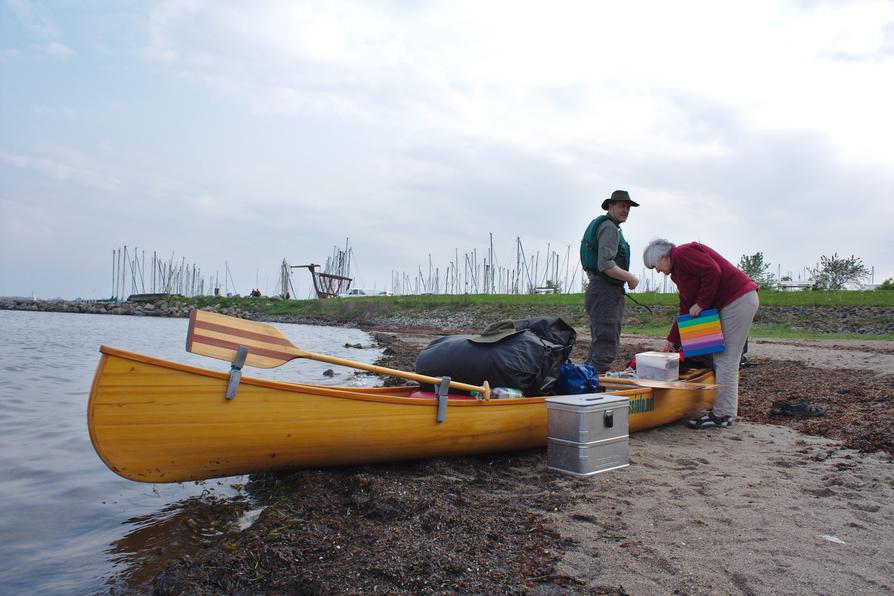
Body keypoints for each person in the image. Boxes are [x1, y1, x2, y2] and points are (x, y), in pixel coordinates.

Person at [642, 239, 759, 429]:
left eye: (655, 266)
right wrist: (671, 340)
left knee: (726, 359)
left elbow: (712, 271)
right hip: (731, 303)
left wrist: (702, 303)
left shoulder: (682, 253)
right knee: (721, 358)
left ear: (664, 257)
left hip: (737, 300)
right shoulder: (678, 273)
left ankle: (723, 414)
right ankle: (725, 410)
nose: (657, 271)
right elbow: (686, 307)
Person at [580, 190, 640, 374]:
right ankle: (593, 391)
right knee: (606, 344)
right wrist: (630, 278)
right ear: (611, 206)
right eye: (622, 206)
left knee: (600, 343)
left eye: (628, 207)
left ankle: (587, 383)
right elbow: (606, 265)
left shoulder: (605, 225)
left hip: (599, 290)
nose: (626, 210)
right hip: (605, 292)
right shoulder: (609, 228)